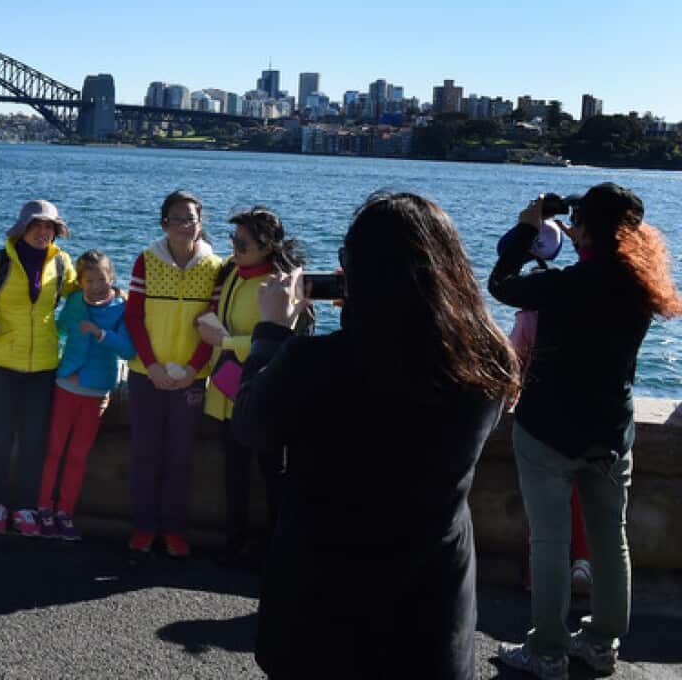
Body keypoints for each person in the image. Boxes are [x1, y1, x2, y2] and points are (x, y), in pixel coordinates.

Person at [233, 190, 518, 679]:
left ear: (358, 272)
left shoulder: (314, 363)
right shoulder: (486, 368)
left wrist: (272, 333)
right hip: (430, 615)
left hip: (321, 614)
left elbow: (252, 424)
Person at [492, 183, 682, 680]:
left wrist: (526, 230)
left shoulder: (565, 283)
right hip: (611, 428)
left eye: (578, 221)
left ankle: (548, 651)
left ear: (589, 230)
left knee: (550, 543)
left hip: (548, 427)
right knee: (609, 538)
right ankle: (601, 643)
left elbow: (501, 283)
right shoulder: (642, 286)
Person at [0, 199, 78, 536]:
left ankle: (24, 508)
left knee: (35, 442)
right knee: (1, 439)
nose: (43, 232)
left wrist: (112, 297)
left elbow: (81, 294)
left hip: (44, 366)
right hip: (2, 364)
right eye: (37, 225)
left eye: (50, 227)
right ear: (22, 228)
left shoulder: (62, 263)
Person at [195, 206, 306, 567]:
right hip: (228, 393)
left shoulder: (280, 285)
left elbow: (281, 340)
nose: (235, 246)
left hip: (265, 395)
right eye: (233, 239)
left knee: (274, 476)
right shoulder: (232, 273)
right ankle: (234, 542)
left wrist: (226, 342)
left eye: (242, 241)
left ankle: (278, 551)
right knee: (234, 474)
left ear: (267, 245)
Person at [497, 205, 593, 597]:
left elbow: (514, 365)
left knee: (543, 505)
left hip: (543, 417)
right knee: (582, 498)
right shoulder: (588, 292)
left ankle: (539, 579)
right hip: (591, 412)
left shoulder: (530, 313)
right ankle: (584, 562)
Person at [124, 190, 223, 558]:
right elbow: (133, 318)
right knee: (146, 453)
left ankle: (174, 530)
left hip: (191, 379)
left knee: (180, 457)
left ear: (201, 222)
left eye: (192, 218)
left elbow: (214, 325)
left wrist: (195, 369)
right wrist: (150, 365)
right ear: (164, 223)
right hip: (145, 374)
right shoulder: (146, 262)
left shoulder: (215, 268)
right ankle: (144, 527)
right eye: (178, 218)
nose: (185, 225)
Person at [35, 250, 136, 541]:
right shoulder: (76, 300)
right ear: (80, 282)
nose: (95, 285)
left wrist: (100, 333)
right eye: (88, 280)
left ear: (112, 277)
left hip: (95, 391)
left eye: (101, 278)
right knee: (54, 451)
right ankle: (44, 509)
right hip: (66, 385)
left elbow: (128, 350)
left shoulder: (121, 306)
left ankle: (65, 513)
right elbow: (58, 328)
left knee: (77, 455)